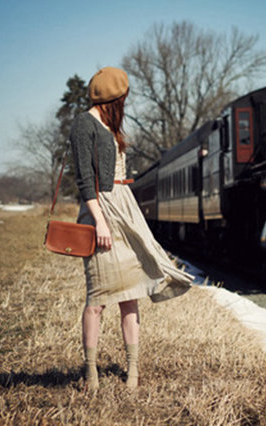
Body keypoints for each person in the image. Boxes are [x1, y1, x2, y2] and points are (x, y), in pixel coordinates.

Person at [68, 67, 194, 391]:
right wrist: (99, 221)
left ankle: (133, 371)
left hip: (125, 210)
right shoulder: (85, 123)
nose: (126, 103)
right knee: (97, 299)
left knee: (130, 297)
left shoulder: (110, 125)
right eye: (123, 98)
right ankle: (90, 372)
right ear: (114, 98)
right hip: (102, 212)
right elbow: (84, 179)